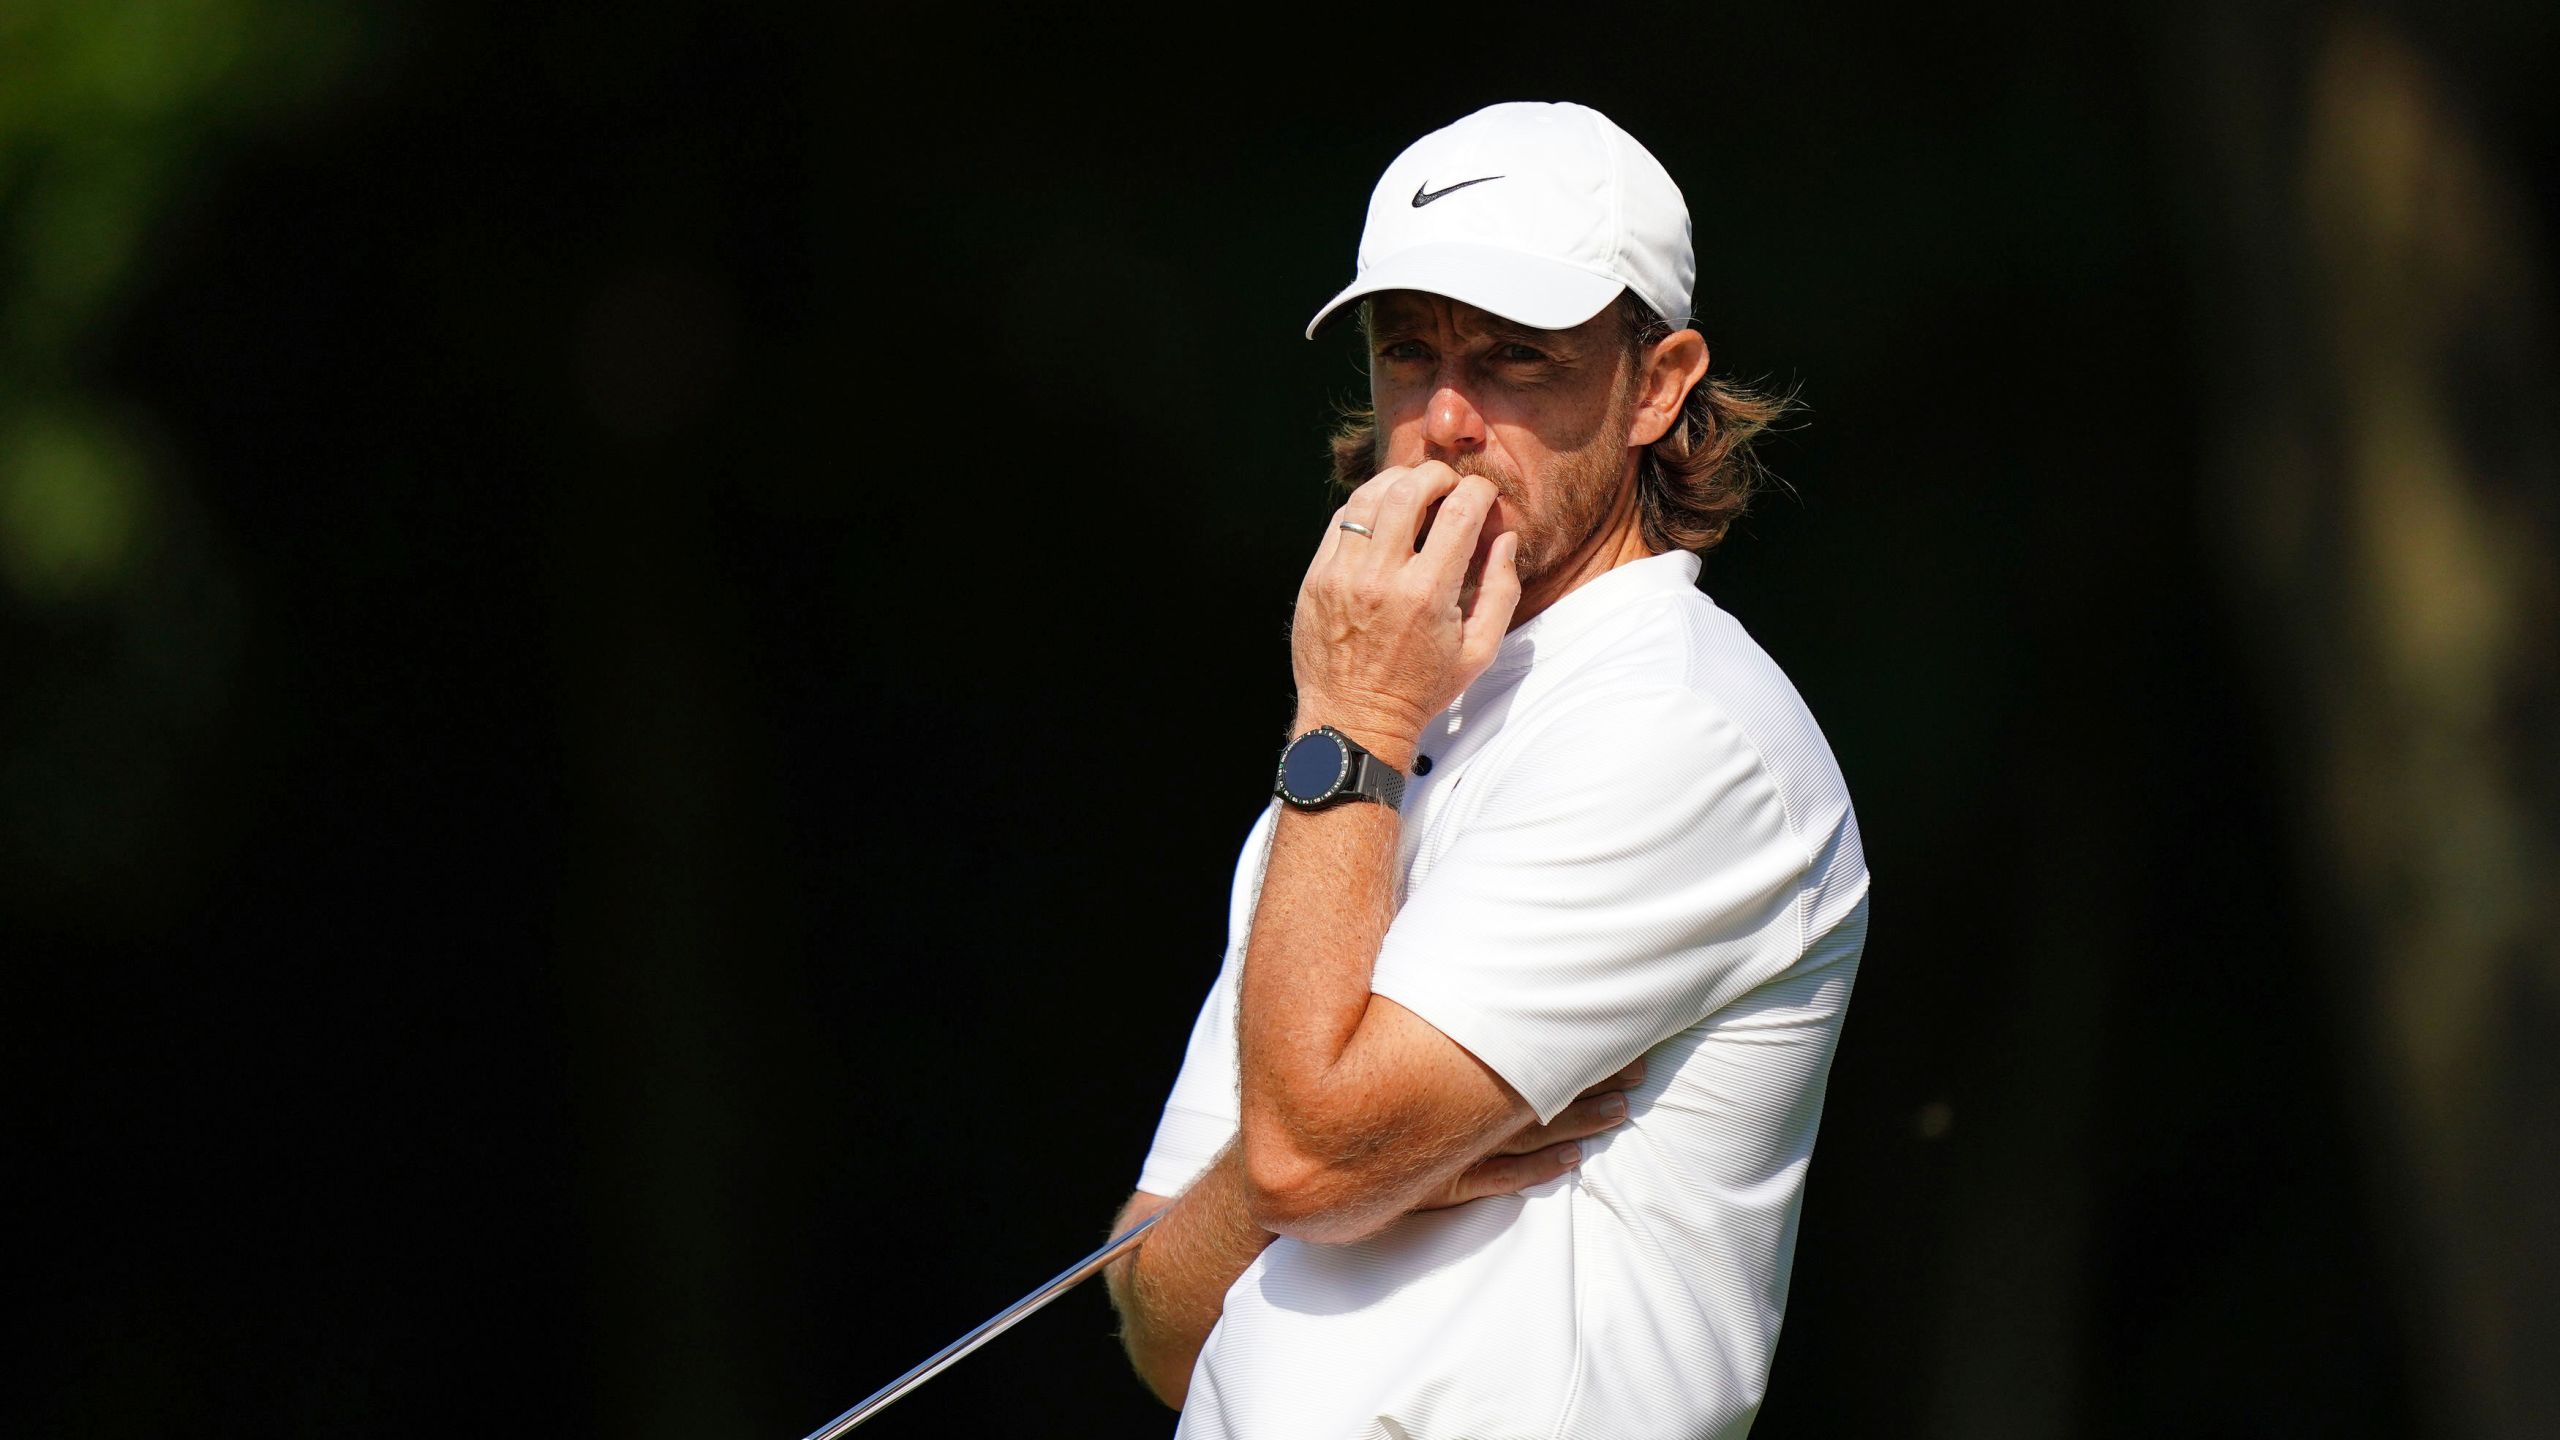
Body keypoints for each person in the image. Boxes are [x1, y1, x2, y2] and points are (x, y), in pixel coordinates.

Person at [1102, 100, 1869, 1440]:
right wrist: (1308, 1187)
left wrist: (1313, 1174)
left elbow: (1295, 1152)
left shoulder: (1676, 726)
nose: (1447, 417)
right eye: (1410, 355)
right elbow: (1158, 1315)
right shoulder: (1379, 745)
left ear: (1658, 383)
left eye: (1517, 360)